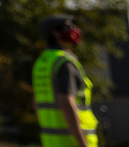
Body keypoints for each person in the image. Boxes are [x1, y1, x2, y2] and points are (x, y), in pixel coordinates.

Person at [33, 15, 100, 147]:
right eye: (69, 26)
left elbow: (36, 102)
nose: (74, 30)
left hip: (52, 142)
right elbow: (66, 103)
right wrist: (83, 144)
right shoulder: (65, 63)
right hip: (72, 142)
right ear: (56, 33)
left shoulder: (41, 62)